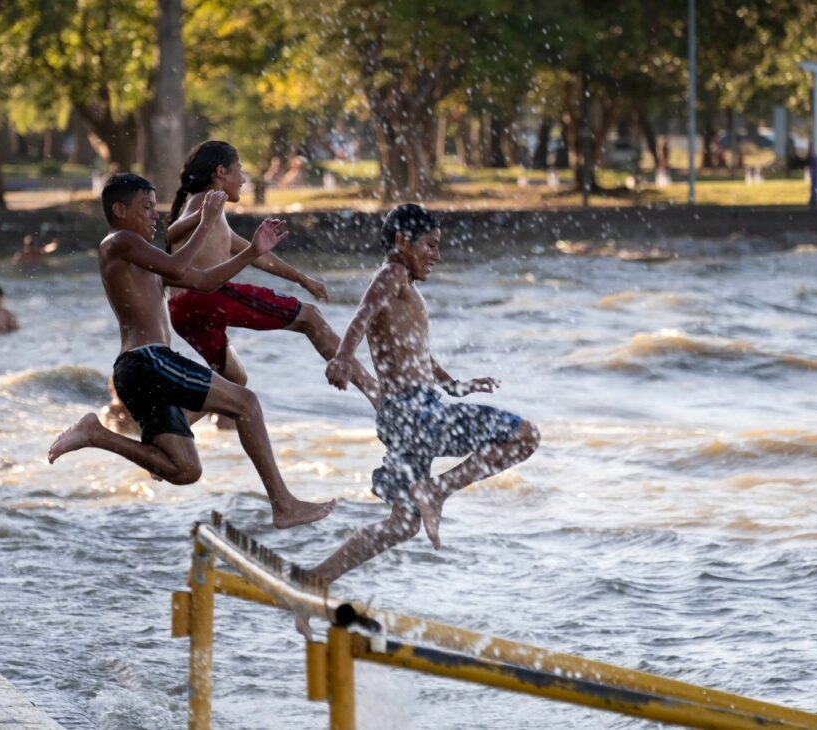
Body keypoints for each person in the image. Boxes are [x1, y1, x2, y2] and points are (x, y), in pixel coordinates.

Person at [47, 173, 333, 529]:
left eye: (156, 207)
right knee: (247, 404)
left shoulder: (147, 260)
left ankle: (97, 434)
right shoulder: (117, 242)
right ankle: (283, 504)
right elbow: (179, 265)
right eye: (147, 207)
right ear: (119, 210)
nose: (155, 215)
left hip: (141, 370)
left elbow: (204, 281)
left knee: (185, 470)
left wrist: (251, 252)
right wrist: (207, 221)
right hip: (147, 359)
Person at [298, 205, 541, 620]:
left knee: (403, 523)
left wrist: (456, 386)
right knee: (526, 436)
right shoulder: (391, 275)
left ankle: (315, 580)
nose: (436, 255)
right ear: (401, 243)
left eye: (438, 246)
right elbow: (360, 316)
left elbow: (419, 357)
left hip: (404, 417)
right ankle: (438, 490)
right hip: (415, 415)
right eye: (430, 245)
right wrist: (341, 359)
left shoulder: (404, 286)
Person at [163, 141, 380, 414]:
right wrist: (204, 219)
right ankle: (378, 395)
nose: (243, 180)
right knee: (310, 317)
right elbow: (171, 234)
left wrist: (301, 278)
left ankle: (171, 427)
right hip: (205, 298)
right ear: (220, 172)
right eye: (239, 171)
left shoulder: (212, 211)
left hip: (183, 311)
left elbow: (256, 255)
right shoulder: (203, 203)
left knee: (235, 381)